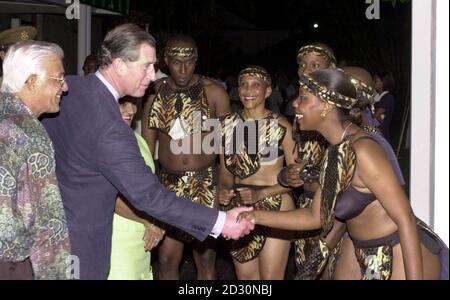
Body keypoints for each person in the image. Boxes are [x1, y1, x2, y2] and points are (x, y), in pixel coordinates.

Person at [41, 23, 254, 280]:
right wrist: (221, 222)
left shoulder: (69, 90)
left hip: (51, 231)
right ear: (120, 65)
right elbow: (148, 195)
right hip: (83, 242)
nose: (153, 76)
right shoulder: (112, 128)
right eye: (146, 66)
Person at [239, 68, 448, 280]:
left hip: (398, 251)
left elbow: (406, 219)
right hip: (358, 248)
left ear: (327, 107)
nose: (295, 103)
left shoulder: (364, 150)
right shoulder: (335, 150)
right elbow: (315, 216)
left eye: (303, 98)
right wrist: (254, 216)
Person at [142, 34, 230, 280]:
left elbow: (227, 147)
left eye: (189, 61)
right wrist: (147, 189)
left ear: (197, 60)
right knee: (168, 259)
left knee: (205, 259)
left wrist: (225, 184)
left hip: (206, 183)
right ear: (166, 60)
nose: (183, 68)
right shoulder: (154, 93)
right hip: (168, 184)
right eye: (176, 61)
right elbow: (146, 149)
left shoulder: (214, 93)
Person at [0, 40, 71, 279]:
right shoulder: (29, 133)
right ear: (32, 81)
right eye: (58, 78)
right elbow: (48, 221)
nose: (65, 87)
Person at [218, 66, 296, 279]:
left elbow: (299, 177)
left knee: (270, 277)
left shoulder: (282, 126)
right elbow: (225, 172)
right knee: (246, 278)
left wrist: (263, 194)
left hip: (277, 203)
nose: (248, 90)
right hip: (240, 205)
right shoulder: (226, 126)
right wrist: (223, 190)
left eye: (256, 85)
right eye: (243, 84)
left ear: (268, 91)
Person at [287, 42, 343, 280]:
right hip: (305, 207)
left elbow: (346, 169)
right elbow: (298, 161)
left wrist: (307, 172)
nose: (306, 70)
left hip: (334, 217)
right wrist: (287, 175)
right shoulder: (302, 107)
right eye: (302, 64)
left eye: (315, 65)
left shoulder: (342, 112)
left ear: (331, 69)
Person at [108, 96, 165, 280]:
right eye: (123, 104)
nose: (131, 111)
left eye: (133, 104)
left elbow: (151, 191)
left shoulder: (138, 141)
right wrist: (151, 223)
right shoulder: (104, 142)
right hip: (117, 242)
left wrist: (157, 223)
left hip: (142, 242)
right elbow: (111, 197)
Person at [373, 71, 396, 142]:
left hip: (381, 132)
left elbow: (376, 115)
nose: (373, 83)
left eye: (376, 81)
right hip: (374, 131)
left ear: (383, 82)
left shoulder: (388, 97)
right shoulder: (376, 96)